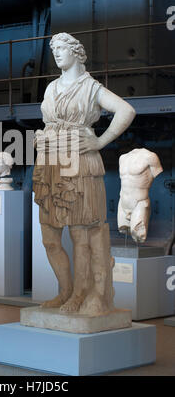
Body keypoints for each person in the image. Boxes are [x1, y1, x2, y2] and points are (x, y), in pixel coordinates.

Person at [33, 32, 136, 315]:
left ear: (76, 53)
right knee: (49, 237)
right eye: (53, 49)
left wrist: (100, 141)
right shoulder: (51, 87)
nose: (56, 54)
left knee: (81, 234)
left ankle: (80, 294)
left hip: (80, 163)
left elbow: (126, 110)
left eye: (61, 48)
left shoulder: (91, 88)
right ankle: (64, 290)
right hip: (50, 162)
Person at [118, 148, 163, 242]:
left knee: (138, 235)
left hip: (139, 201)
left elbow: (156, 173)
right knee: (123, 229)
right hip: (123, 202)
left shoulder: (150, 157)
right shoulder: (123, 158)